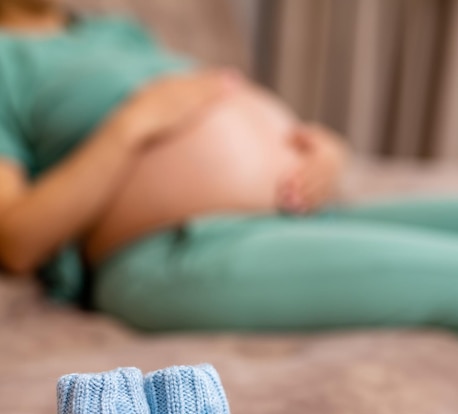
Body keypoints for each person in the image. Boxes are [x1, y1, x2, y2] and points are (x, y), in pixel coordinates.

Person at [1, 0, 458, 331]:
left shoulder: (117, 31)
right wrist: (131, 125)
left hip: (296, 213)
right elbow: (17, 241)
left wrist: (323, 151)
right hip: (180, 248)